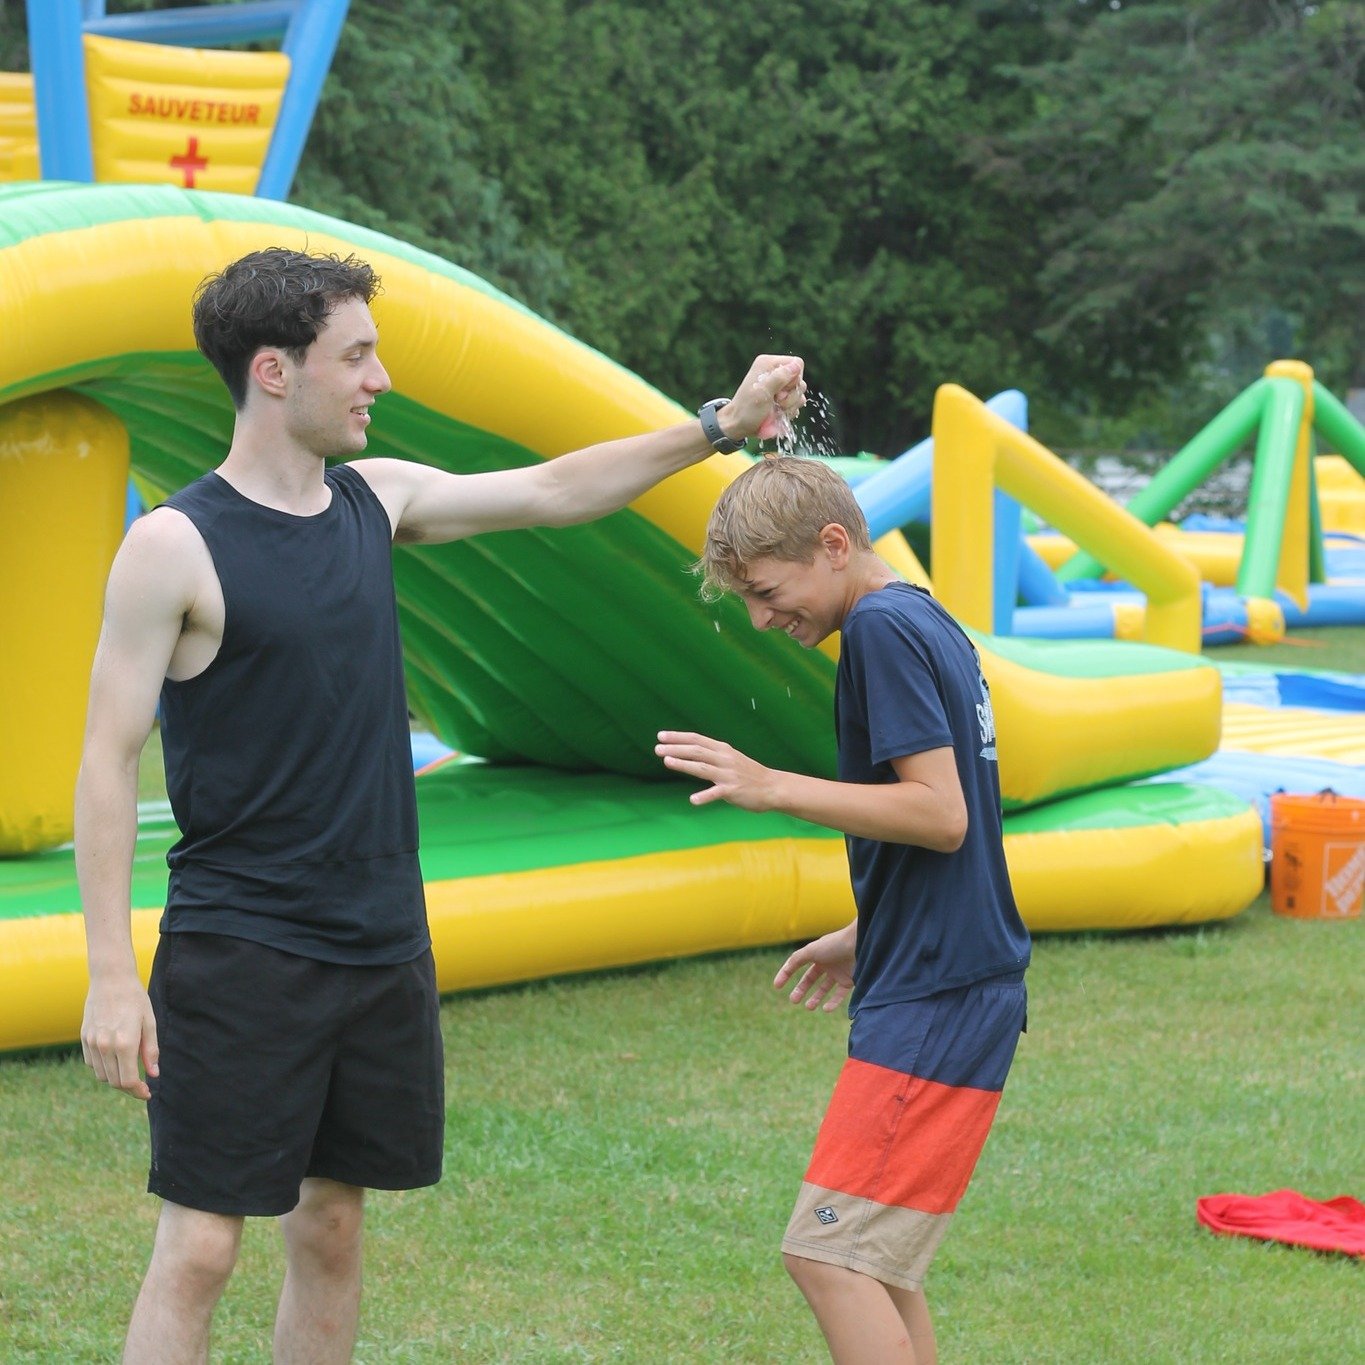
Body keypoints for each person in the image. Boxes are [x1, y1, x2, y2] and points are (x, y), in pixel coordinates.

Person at [75, 245, 805, 1365]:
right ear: (274, 370)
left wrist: (717, 423)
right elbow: (107, 761)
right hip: (240, 951)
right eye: (356, 356)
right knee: (202, 1248)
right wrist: (113, 976)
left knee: (332, 1225)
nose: (380, 379)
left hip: (379, 943)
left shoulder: (377, 498)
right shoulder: (173, 545)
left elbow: (559, 491)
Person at [655, 455, 1030, 1365]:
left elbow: (940, 814)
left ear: (832, 545)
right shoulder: (923, 614)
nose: (759, 616)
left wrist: (770, 783)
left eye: (766, 589)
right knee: (880, 1263)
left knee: (824, 1252)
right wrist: (874, 929)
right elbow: (966, 816)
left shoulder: (878, 632)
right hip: (946, 974)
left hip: (940, 997)